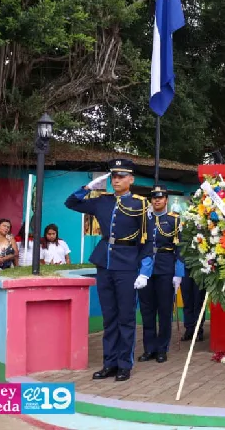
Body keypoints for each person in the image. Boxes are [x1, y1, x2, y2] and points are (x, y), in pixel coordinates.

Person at [64, 159, 152, 382]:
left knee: (126, 317)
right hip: (105, 263)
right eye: (114, 176)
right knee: (109, 317)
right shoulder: (102, 201)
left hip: (128, 264)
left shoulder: (140, 204)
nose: (116, 180)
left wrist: (145, 271)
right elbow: (71, 203)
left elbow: (149, 241)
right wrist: (88, 188)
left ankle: (124, 364)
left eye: (121, 176)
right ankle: (109, 363)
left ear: (131, 179)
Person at [138, 185, 184, 363]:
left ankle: (162, 348)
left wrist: (178, 274)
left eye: (160, 197)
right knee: (147, 310)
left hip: (166, 267)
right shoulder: (144, 220)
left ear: (166, 200)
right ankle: (149, 348)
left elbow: (180, 249)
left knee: (165, 310)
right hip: (145, 269)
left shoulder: (174, 220)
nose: (157, 200)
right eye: (154, 197)